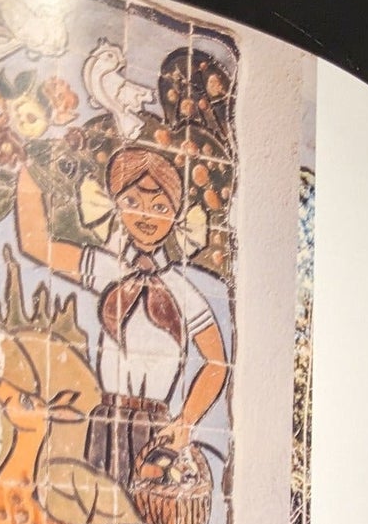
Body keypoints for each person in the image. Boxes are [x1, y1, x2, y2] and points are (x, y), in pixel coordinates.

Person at [13, 145, 227, 494]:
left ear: (176, 215)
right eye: (132, 201)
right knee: (98, 507)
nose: (146, 215)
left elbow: (217, 361)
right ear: (115, 204)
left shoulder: (182, 292)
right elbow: (37, 245)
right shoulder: (106, 268)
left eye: (160, 207)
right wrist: (28, 169)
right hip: (106, 423)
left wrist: (186, 421)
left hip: (157, 431)